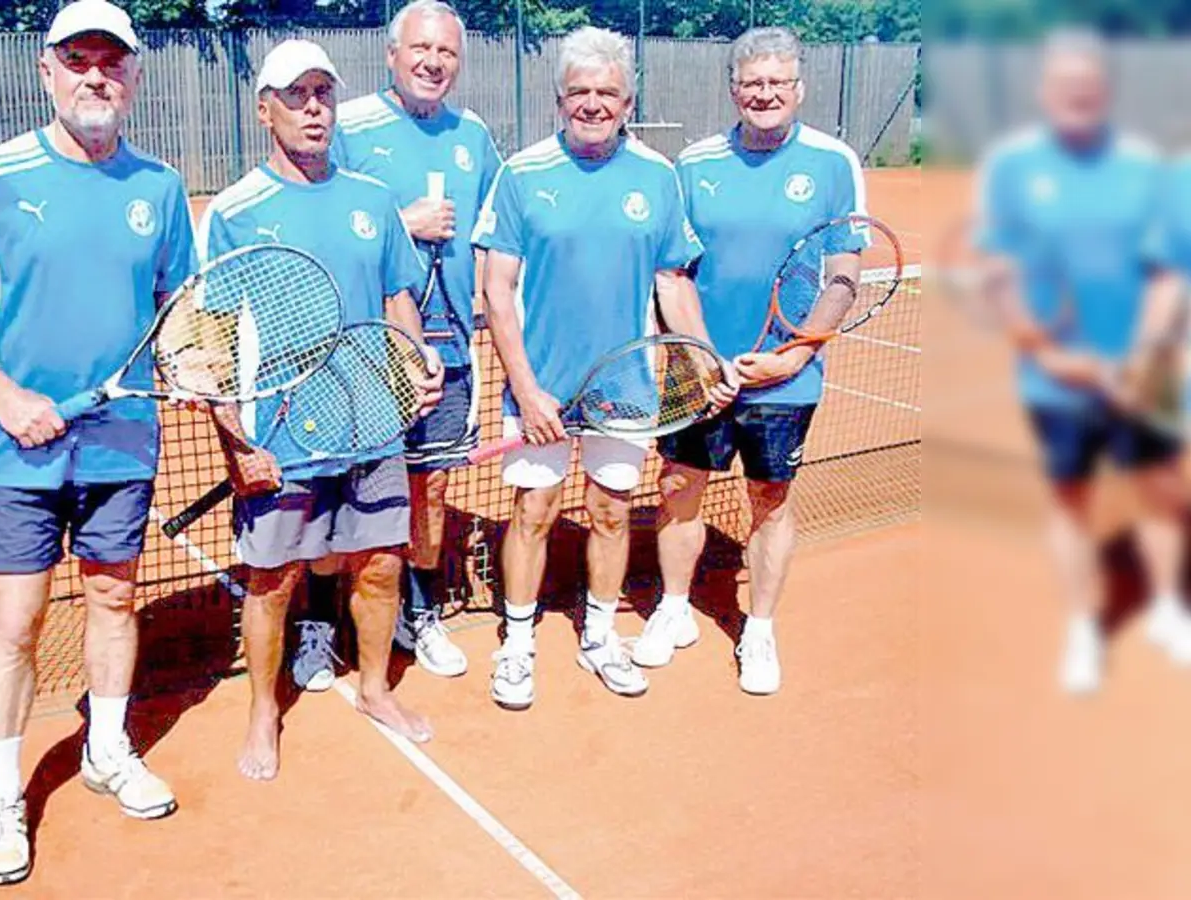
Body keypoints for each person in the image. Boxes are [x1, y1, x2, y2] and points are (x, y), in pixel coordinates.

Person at [0, 0, 191, 884]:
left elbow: (178, 308)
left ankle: (108, 750)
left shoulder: (162, 188)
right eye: (78, 59)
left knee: (113, 599)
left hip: (120, 443)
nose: (95, 75)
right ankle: (3, 793)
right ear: (48, 70)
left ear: (135, 76)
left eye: (112, 61)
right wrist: (5, 394)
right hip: (15, 450)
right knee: (17, 623)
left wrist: (191, 364)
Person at [197, 39, 442, 780]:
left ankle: (373, 690)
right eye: (296, 95)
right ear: (264, 108)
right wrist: (236, 444)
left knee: (378, 570)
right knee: (272, 582)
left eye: (323, 94)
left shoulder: (371, 200)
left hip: (373, 427)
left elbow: (400, 297)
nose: (313, 108)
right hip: (281, 438)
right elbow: (207, 342)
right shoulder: (236, 211)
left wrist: (415, 361)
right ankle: (264, 714)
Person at [473, 27, 727, 711]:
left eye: (606, 92)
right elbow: (497, 290)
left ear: (628, 99)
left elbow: (672, 282)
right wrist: (527, 391)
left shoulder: (657, 176)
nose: (593, 104)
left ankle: (600, 635)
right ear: (560, 99)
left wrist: (704, 361)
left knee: (611, 514)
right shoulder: (523, 174)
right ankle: (518, 645)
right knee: (534, 512)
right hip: (543, 389)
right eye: (579, 92)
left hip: (628, 389)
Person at [282, 0, 502, 688]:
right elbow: (319, 210)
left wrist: (490, 300)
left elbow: (498, 232)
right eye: (421, 49)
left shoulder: (474, 135)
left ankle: (419, 609)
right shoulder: (352, 129)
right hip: (360, 354)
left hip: (448, 350)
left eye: (447, 53)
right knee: (335, 487)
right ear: (392, 54)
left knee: (428, 488)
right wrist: (403, 223)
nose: (433, 62)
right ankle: (319, 623)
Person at [646, 27, 869, 697]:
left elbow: (842, 278)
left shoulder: (834, 163)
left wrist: (792, 356)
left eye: (778, 82)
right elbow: (672, 271)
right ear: (734, 89)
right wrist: (703, 358)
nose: (765, 93)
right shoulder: (694, 163)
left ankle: (760, 630)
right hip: (698, 371)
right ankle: (673, 607)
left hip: (785, 377)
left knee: (768, 501)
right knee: (677, 491)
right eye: (752, 83)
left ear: (798, 88)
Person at [971, 28, 1190, 693]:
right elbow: (1000, 276)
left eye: (1089, 86)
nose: (1078, 96)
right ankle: (1082, 630)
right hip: (1054, 380)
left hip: (1140, 373)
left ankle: (1165, 610)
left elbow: (1165, 275)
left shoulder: (1143, 169)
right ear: (1045, 92)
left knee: (1159, 495)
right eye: (1065, 86)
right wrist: (1049, 354)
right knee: (1072, 503)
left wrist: (1142, 357)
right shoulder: (1012, 169)